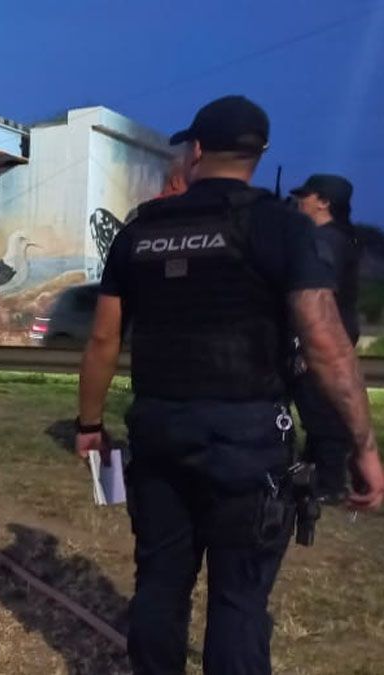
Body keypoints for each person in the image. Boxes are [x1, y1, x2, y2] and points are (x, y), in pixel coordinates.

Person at [74, 95, 384, 675]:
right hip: (249, 443)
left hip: (160, 431)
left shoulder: (143, 229)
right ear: (259, 154)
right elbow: (325, 342)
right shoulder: (282, 227)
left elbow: (102, 342)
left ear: (195, 150)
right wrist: (362, 445)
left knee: (160, 585)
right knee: (239, 602)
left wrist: (89, 425)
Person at [289, 174, 361, 502]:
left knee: (322, 414)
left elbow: (319, 297)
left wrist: (307, 345)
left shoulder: (326, 241)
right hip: (332, 336)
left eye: (306, 195)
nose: (299, 200)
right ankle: (316, 477)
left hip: (322, 339)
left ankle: (330, 484)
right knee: (322, 411)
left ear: (324, 202)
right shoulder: (336, 238)